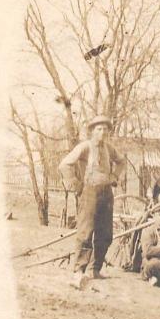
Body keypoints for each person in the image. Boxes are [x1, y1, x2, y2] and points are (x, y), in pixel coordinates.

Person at [59, 115, 125, 289]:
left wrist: (114, 176)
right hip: (89, 192)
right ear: (92, 131)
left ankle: (94, 269)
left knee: (106, 234)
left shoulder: (109, 149)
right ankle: (79, 270)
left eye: (105, 129)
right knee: (86, 232)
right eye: (99, 129)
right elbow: (65, 164)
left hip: (106, 193)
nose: (102, 132)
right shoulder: (85, 147)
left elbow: (121, 162)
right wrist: (75, 184)